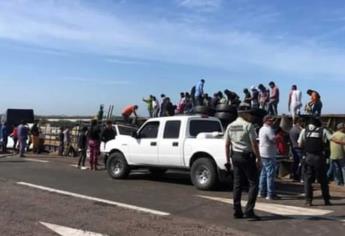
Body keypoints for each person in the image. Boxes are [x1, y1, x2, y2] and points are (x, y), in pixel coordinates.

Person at [225, 103, 261, 220]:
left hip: (235, 156)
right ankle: (249, 211)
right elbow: (254, 144)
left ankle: (237, 211)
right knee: (253, 183)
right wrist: (259, 158)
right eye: (249, 113)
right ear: (244, 114)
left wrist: (227, 160)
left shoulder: (230, 126)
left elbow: (227, 144)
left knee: (237, 184)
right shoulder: (248, 125)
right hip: (247, 157)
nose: (251, 116)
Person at [298, 117, 332, 206]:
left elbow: (300, 144)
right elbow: (331, 139)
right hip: (319, 158)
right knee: (323, 180)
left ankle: (308, 200)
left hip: (308, 158)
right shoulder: (323, 130)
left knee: (308, 180)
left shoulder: (304, 131)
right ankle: (326, 200)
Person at [258, 115, 279, 200]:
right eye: (270, 120)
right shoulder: (269, 129)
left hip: (262, 153)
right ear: (266, 121)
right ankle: (270, 194)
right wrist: (277, 137)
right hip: (269, 154)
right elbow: (273, 140)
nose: (272, 122)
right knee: (270, 174)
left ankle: (261, 192)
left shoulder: (261, 129)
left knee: (263, 174)